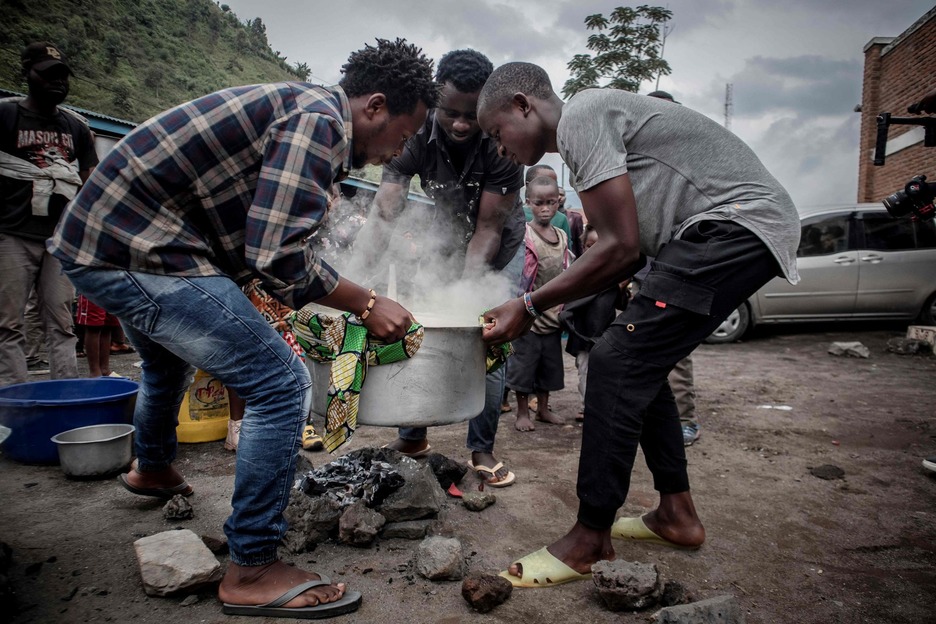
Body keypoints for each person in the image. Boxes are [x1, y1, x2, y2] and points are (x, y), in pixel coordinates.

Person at [47, 38, 437, 618]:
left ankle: (152, 466)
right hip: (138, 250)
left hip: (111, 241)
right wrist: (365, 301)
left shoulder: (303, 110)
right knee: (280, 385)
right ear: (375, 107)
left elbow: (262, 244)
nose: (393, 152)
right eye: (403, 136)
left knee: (163, 361)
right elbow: (277, 255)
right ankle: (252, 566)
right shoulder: (320, 121)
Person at [477, 62, 800, 587]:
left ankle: (589, 539)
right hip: (729, 230)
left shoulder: (581, 116)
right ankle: (676, 515)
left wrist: (530, 305)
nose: (499, 148)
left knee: (615, 360)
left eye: (497, 133)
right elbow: (622, 248)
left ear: (522, 105)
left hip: (736, 224)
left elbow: (620, 249)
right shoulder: (585, 142)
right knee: (639, 364)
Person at [355, 48, 525, 488]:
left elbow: (488, 229)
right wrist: (357, 276)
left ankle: (481, 447)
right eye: (451, 113)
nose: (463, 124)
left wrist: (464, 296)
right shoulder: (411, 132)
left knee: (485, 332)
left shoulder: (501, 143)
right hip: (443, 235)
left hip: (496, 243)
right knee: (418, 324)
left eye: (472, 115)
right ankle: (412, 436)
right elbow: (385, 211)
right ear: (434, 102)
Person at [0, 42, 97, 387]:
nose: (57, 83)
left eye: (62, 77)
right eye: (48, 75)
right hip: (12, 233)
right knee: (8, 323)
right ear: (27, 73)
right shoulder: (7, 116)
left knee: (61, 321)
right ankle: (14, 406)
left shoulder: (75, 127)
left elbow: (91, 183)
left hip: (59, 238)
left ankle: (66, 395)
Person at [645, 89, 701, 448]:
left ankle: (684, 420)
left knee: (677, 355)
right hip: (645, 275)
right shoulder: (642, 164)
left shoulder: (691, 166)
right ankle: (651, 417)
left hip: (680, 273)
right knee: (639, 351)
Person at [508, 175, 573, 431]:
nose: (545, 208)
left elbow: (568, 268)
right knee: (524, 365)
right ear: (528, 203)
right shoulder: (525, 235)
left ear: (558, 202)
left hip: (553, 313)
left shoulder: (562, 236)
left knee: (550, 365)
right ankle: (522, 412)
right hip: (528, 313)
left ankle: (543, 408)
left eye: (551, 202)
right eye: (539, 203)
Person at [559, 224, 624, 423]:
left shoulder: (614, 274)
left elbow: (622, 303)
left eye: (598, 245)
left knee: (606, 372)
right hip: (583, 334)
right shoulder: (579, 272)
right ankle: (588, 407)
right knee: (585, 372)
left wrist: (621, 285)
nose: (593, 250)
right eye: (589, 245)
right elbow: (570, 301)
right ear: (583, 247)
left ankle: (602, 407)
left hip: (605, 332)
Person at [522, 164, 571, 244]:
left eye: (553, 184)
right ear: (528, 185)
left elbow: (566, 251)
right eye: (542, 182)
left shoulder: (561, 219)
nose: (549, 187)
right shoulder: (516, 216)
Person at [75, 295, 120, 377]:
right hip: (93, 287)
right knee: (93, 325)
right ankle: (94, 372)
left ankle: (105, 370)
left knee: (108, 325)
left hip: (112, 286)